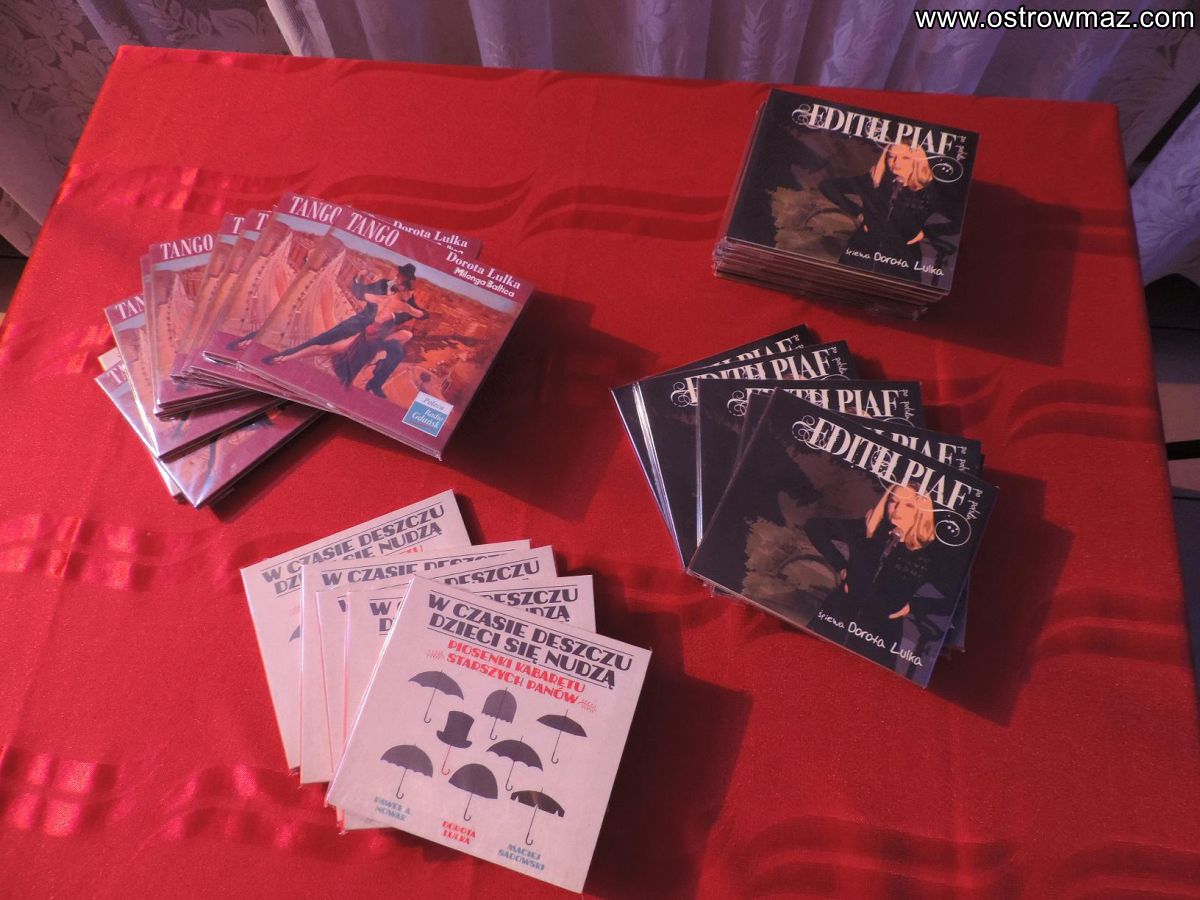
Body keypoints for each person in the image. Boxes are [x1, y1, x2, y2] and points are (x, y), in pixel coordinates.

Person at [804, 484, 936, 668]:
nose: (897, 510)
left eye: (909, 505)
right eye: (893, 502)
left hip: (879, 634)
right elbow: (814, 526)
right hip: (837, 615)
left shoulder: (928, 554)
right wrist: (841, 566)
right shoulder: (868, 528)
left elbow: (951, 598)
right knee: (808, 663)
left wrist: (913, 606)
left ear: (921, 512)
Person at [262, 262, 426, 398]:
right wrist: (358, 277)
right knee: (324, 342)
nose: (399, 278)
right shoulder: (384, 285)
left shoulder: (406, 300)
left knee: (398, 346)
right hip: (360, 323)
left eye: (404, 277)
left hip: (376, 334)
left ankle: (374, 382)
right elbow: (359, 292)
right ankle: (285, 355)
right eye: (401, 275)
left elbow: (420, 314)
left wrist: (393, 315)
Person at [819, 143, 954, 283]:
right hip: (863, 248)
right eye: (891, 156)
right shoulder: (874, 180)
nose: (896, 163)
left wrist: (926, 232)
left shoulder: (929, 191)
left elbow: (957, 221)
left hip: (902, 256)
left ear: (917, 160)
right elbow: (827, 186)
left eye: (905, 158)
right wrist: (858, 212)